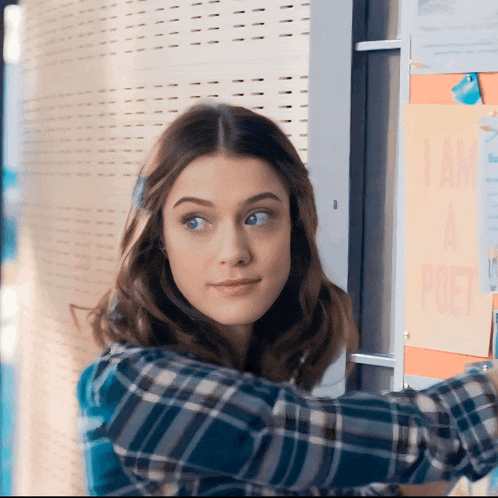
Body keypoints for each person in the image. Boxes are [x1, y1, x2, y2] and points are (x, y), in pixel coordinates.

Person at [73, 102, 498, 496]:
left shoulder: (253, 385)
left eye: (258, 217)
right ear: (159, 239)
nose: (233, 251)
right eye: (196, 221)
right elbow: (294, 434)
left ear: (294, 229)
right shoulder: (131, 386)